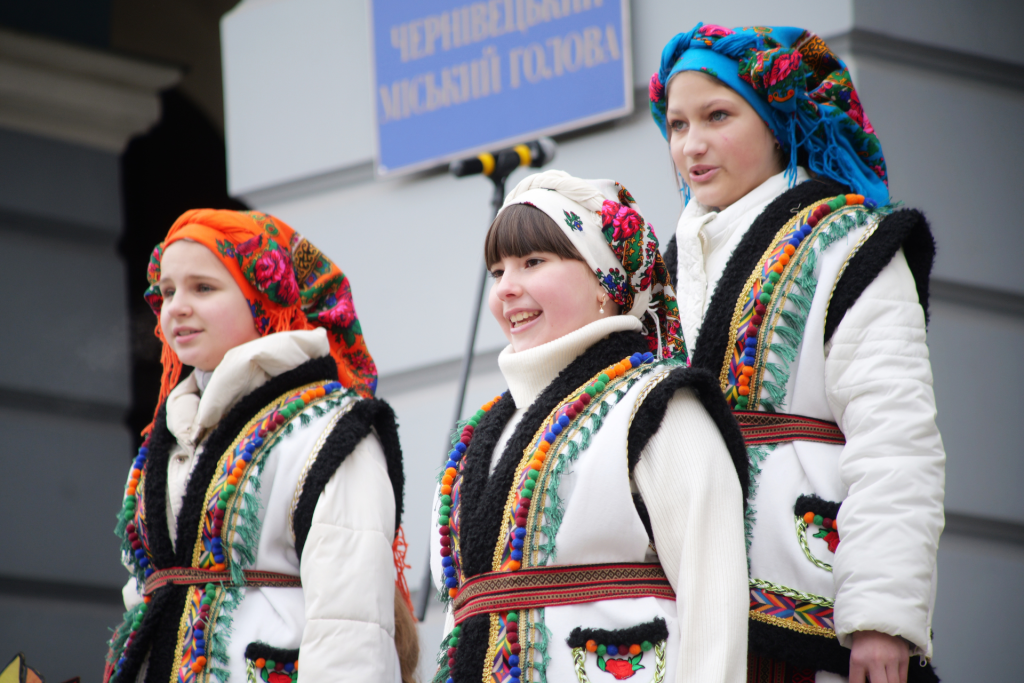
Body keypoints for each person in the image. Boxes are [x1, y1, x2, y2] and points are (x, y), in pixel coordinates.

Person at [649, 24, 945, 683]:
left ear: (779, 121)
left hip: (809, 626)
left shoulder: (851, 245)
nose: (691, 144)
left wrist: (882, 616)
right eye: (676, 124)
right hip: (685, 624)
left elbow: (896, 441)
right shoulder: (662, 271)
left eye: (717, 116)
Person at [429, 170, 750, 683]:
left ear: (605, 281)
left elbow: (715, 600)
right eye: (497, 270)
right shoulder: (481, 435)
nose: (506, 288)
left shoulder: (659, 404)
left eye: (533, 262)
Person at [103, 210, 417, 683]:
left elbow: (351, 622)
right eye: (167, 292)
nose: (177, 306)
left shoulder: (329, 428)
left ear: (264, 299)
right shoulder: (163, 438)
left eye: (203, 288)